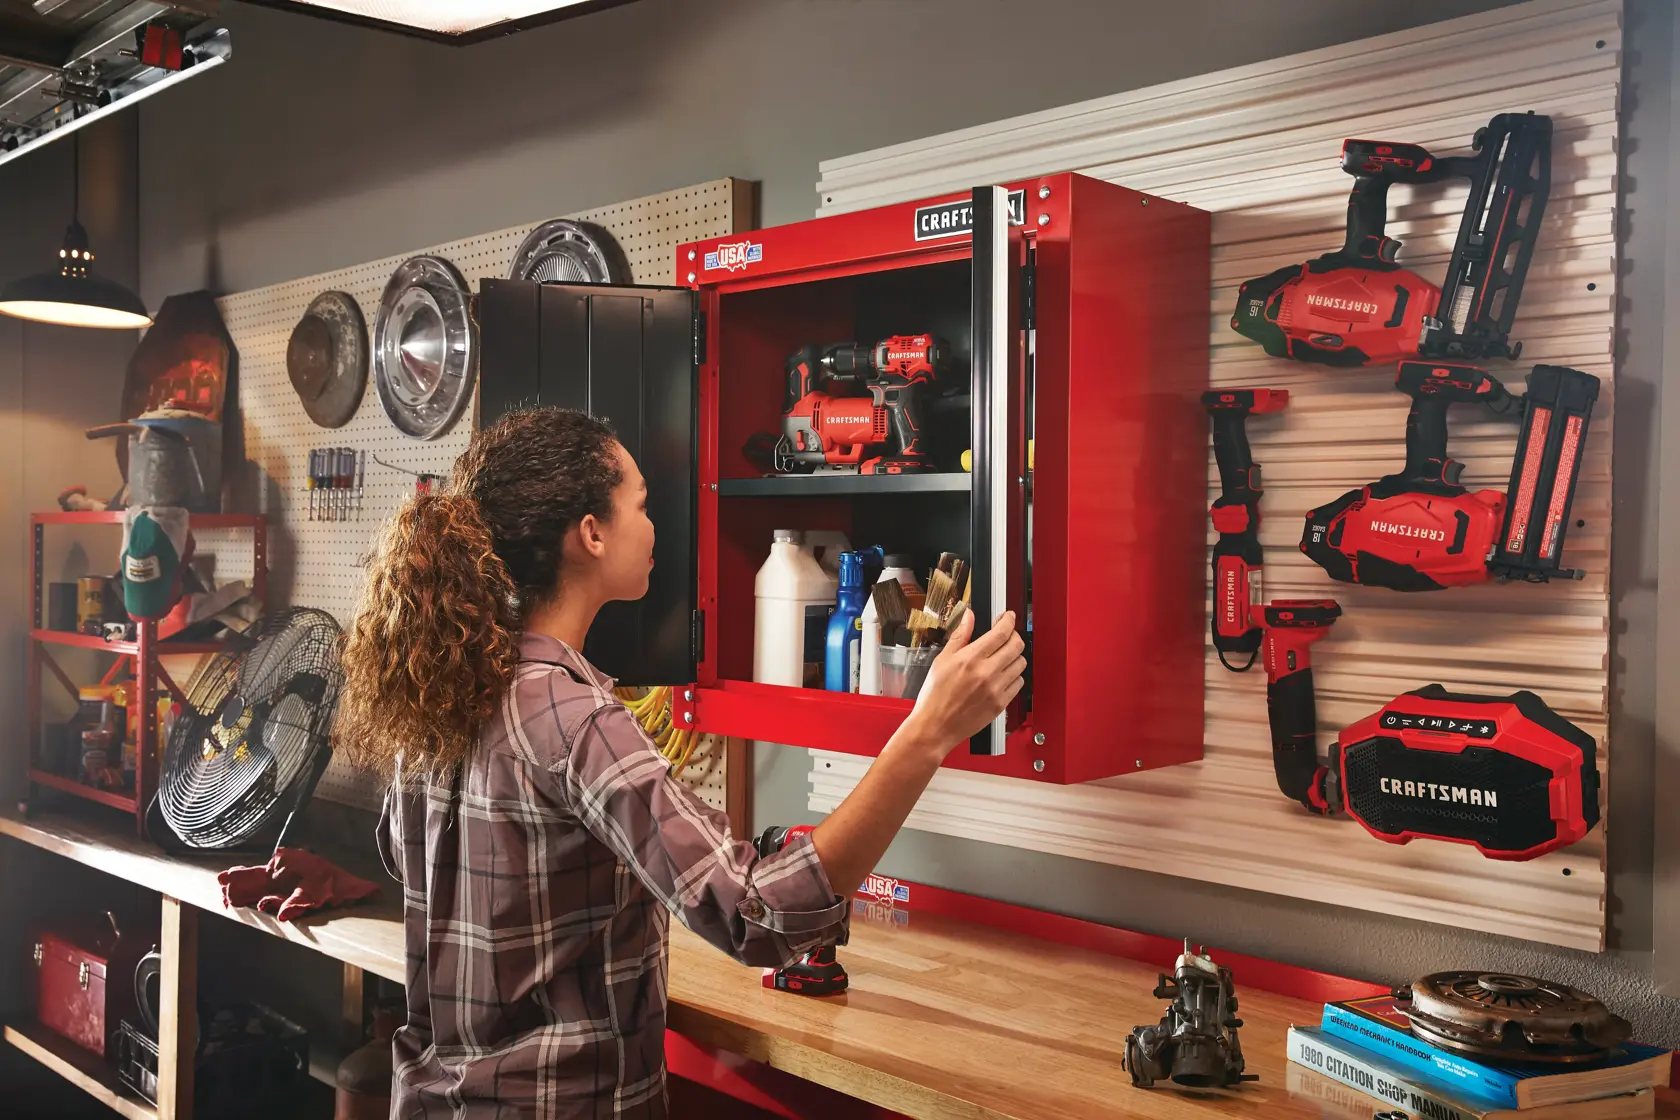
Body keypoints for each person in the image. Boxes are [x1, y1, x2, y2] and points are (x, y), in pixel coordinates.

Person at [336, 407, 1024, 1119]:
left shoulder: (442, 687)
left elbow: (412, 855)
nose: (655, 526)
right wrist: (928, 731)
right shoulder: (577, 722)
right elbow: (757, 917)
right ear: (591, 533)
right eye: (641, 504)